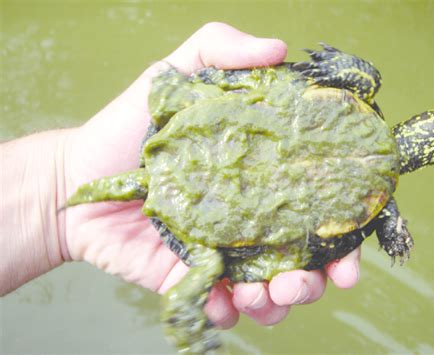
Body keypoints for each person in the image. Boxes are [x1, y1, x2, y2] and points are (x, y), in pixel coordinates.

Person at [0, 22, 360, 329]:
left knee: (221, 268)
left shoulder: (357, 94)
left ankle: (184, 317)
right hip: (215, 202)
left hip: (207, 197)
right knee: (240, 267)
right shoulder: (371, 197)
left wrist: (56, 187)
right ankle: (184, 318)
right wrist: (56, 183)